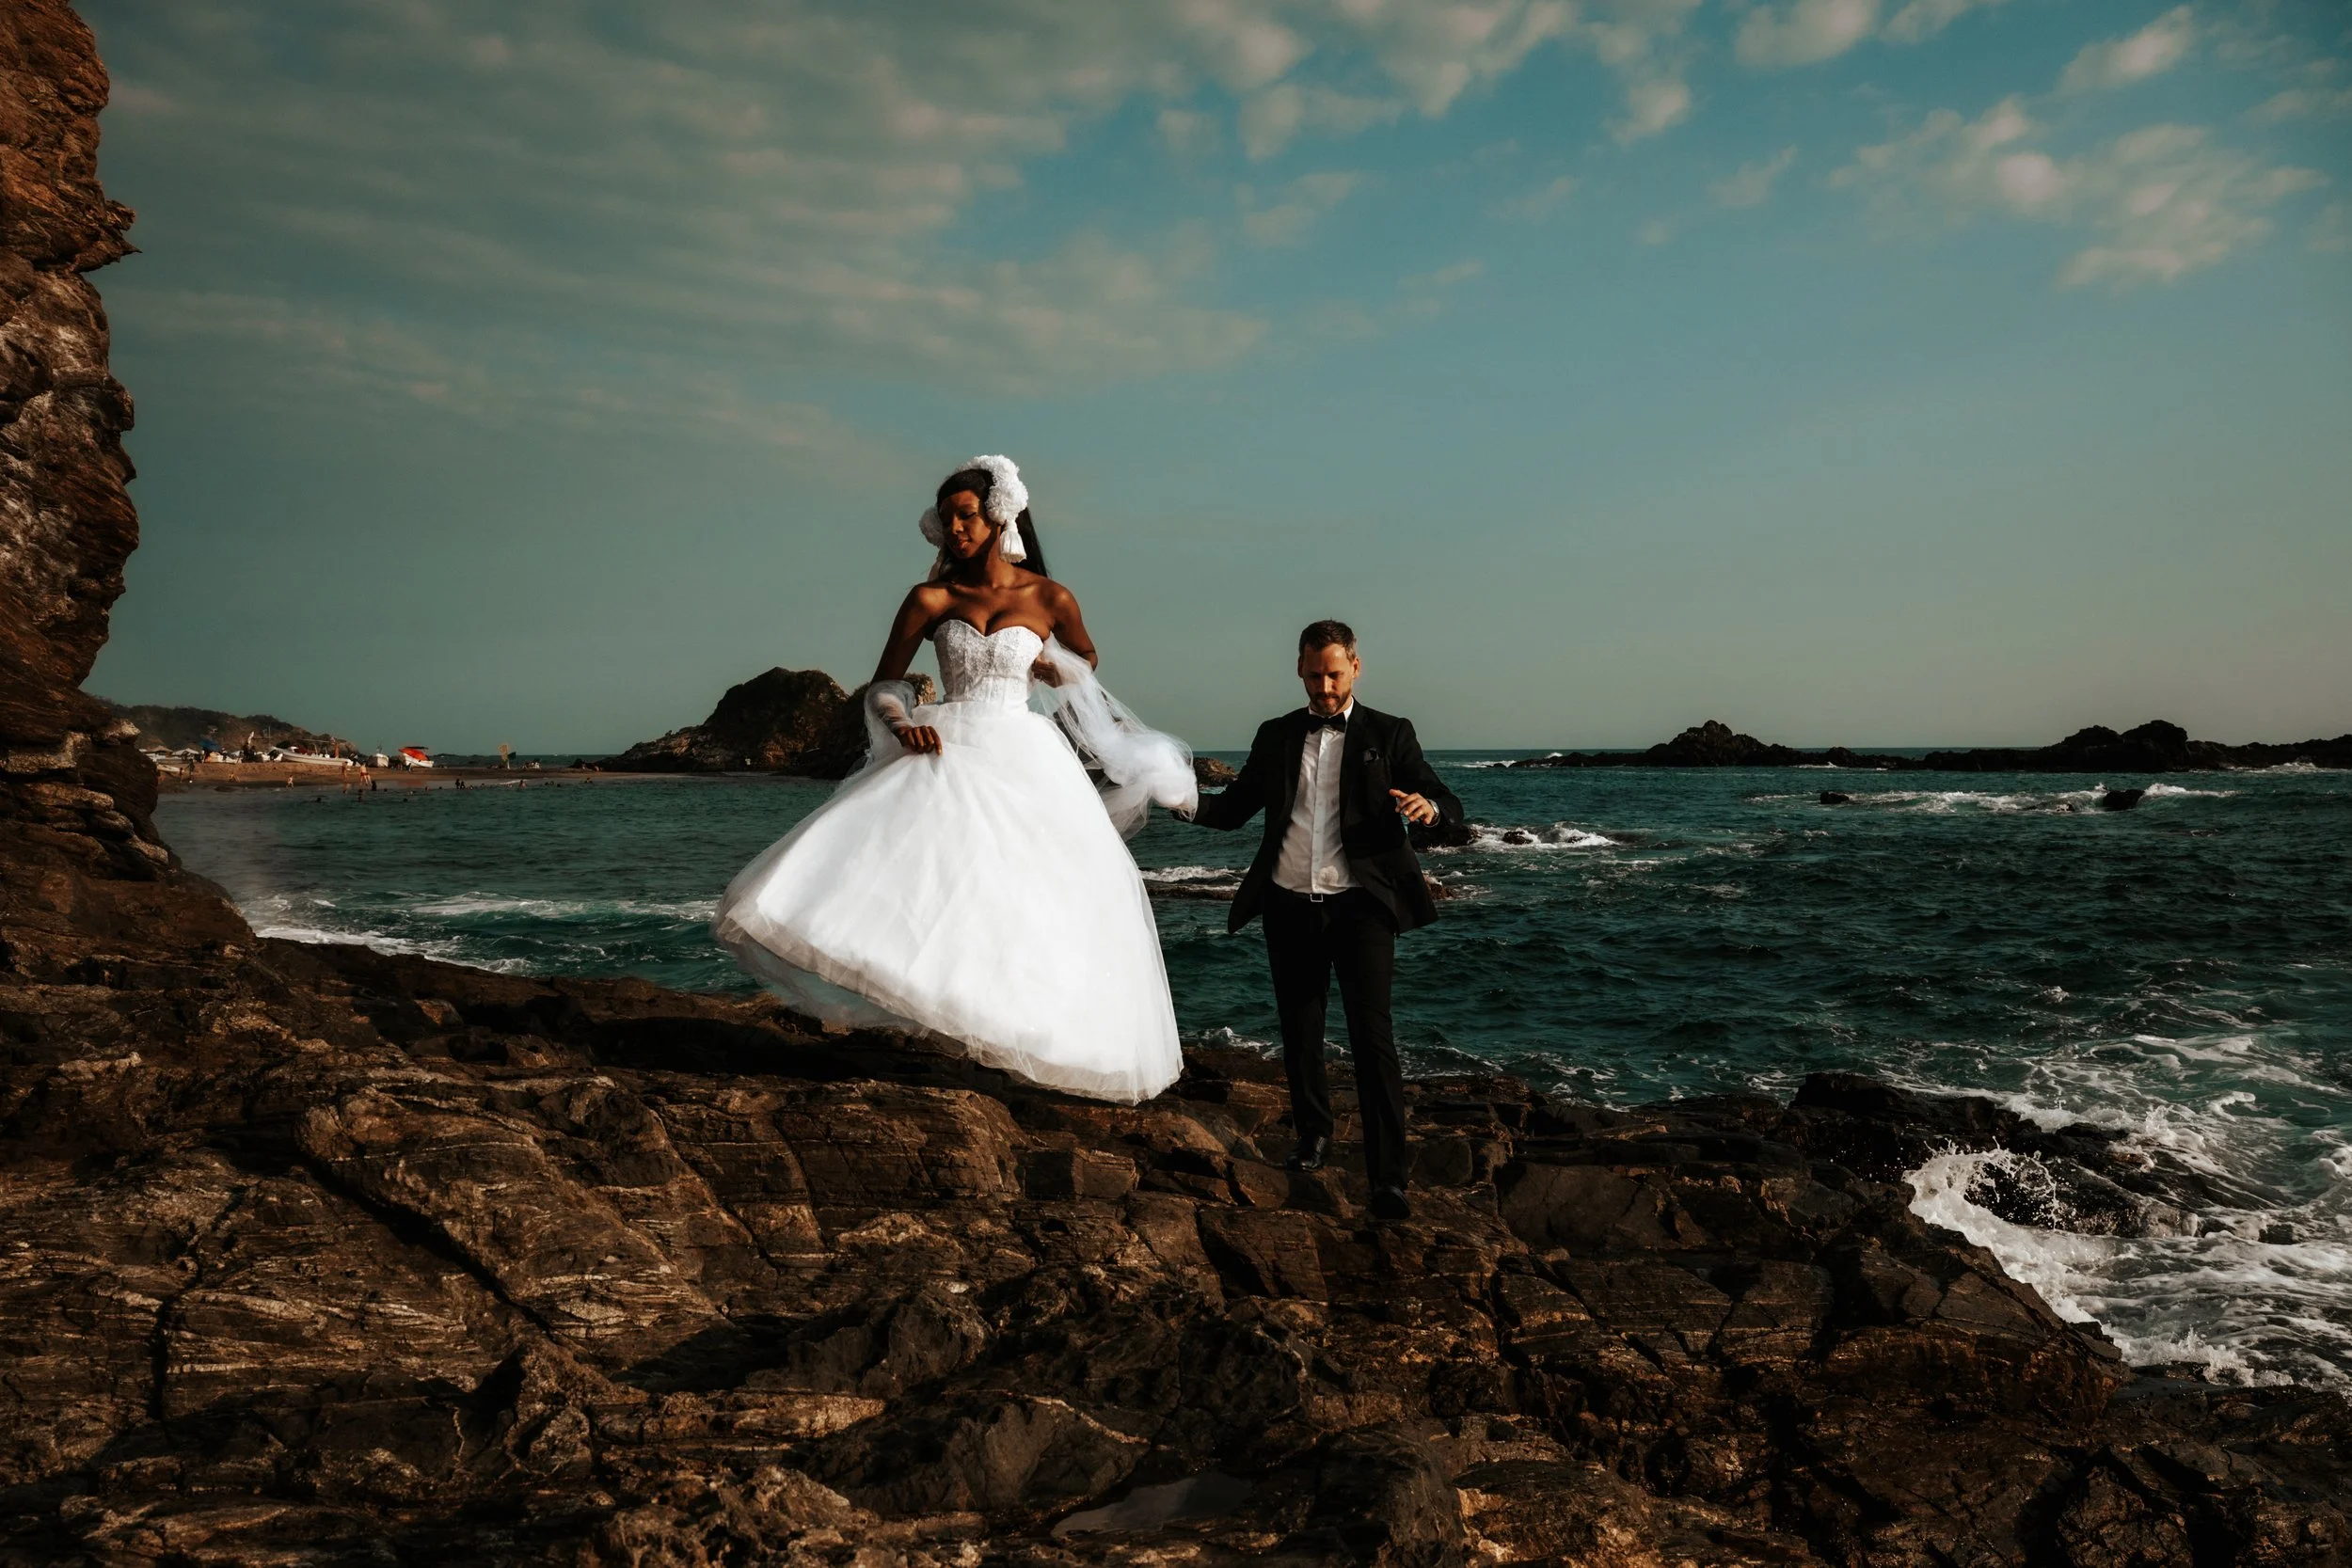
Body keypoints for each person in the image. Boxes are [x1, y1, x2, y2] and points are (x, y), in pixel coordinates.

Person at [712, 455, 1198, 1103]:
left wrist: (1060, 670)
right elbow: (882, 684)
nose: (955, 530)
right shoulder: (930, 598)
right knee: (945, 894)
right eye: (947, 521)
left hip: (1024, 753)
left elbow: (1085, 654)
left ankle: (1026, 1044)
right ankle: (961, 1034)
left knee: (1030, 902)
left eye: (965, 516)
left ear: (1000, 516)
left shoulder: (1050, 597)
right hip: (948, 745)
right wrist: (899, 719)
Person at [1181, 620, 1462, 1220]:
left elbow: (1448, 802)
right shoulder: (1277, 734)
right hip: (1287, 904)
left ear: (1356, 667)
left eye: (1335, 674)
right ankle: (1313, 1136)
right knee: (1301, 1032)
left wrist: (1429, 809)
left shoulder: (1391, 733)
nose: (1326, 688)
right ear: (1299, 669)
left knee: (1372, 1038)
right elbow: (1233, 812)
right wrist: (1175, 798)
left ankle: (1388, 1179)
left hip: (1361, 909)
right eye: (1315, 675)